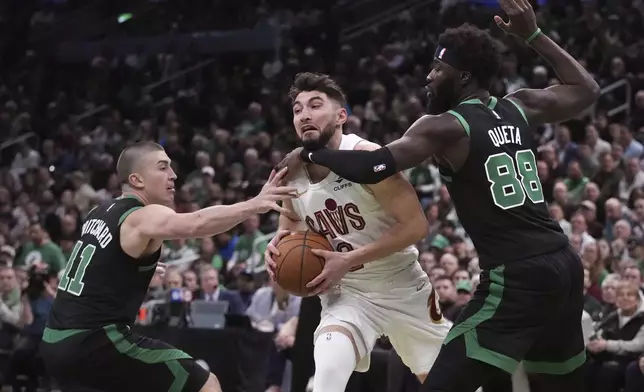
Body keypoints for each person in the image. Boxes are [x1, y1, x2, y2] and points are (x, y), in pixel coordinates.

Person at [278, 0, 600, 391]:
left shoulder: (446, 126)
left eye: (437, 69)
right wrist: (533, 36)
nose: (428, 77)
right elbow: (586, 89)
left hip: (516, 274)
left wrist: (309, 151)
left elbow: (374, 165)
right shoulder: (519, 105)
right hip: (565, 266)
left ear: (462, 77)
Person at [40, 141, 295, 392]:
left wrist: (134, 268)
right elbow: (197, 224)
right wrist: (255, 204)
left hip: (55, 341)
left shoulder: (99, 211)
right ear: (137, 180)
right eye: (162, 168)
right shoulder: (141, 214)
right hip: (95, 342)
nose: (173, 175)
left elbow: (96, 265)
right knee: (206, 385)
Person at [265, 73, 450, 392]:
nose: (305, 114)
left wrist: (348, 259)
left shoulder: (367, 157)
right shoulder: (291, 176)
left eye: (315, 105)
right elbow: (290, 226)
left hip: (402, 285)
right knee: (326, 377)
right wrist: (278, 246)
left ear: (341, 116)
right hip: (347, 294)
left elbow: (416, 225)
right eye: (297, 109)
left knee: (451, 384)